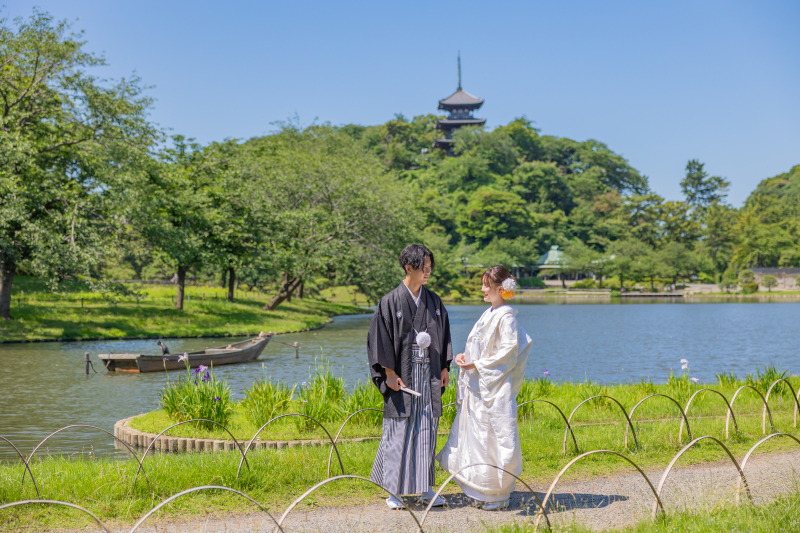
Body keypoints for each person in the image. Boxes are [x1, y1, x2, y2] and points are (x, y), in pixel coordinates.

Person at [436, 265, 532, 510]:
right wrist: (464, 358)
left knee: (492, 437)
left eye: (486, 286)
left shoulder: (506, 316)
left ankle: (496, 495)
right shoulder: (490, 312)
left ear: (501, 289)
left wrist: (477, 364)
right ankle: (479, 490)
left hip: (494, 386)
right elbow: (479, 346)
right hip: (478, 385)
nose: (482, 290)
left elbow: (508, 352)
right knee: (476, 438)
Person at [369, 244, 453, 510]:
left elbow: (443, 334)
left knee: (427, 428)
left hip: (428, 373)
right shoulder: (390, 301)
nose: (428, 273)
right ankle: (394, 492)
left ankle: (425, 488)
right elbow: (378, 339)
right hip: (402, 375)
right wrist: (389, 373)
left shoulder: (434, 301)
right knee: (398, 431)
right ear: (409, 268)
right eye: (423, 268)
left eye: (429, 268)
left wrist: (444, 368)